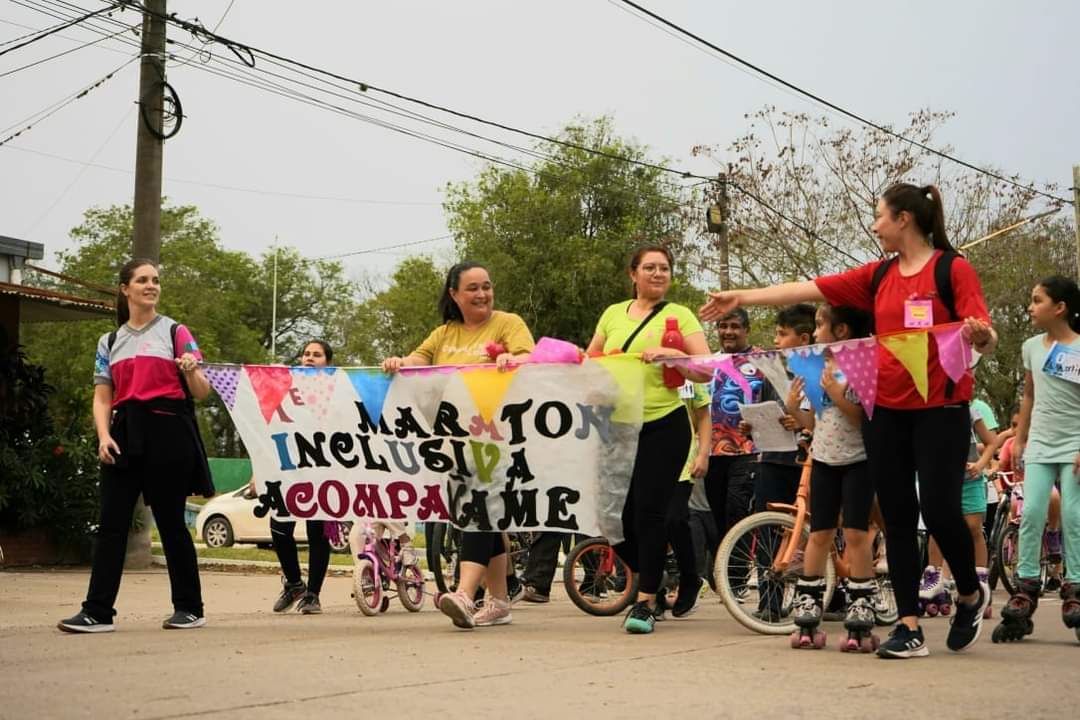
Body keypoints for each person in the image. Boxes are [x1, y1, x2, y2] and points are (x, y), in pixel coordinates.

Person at [701, 183, 997, 658]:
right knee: (898, 518)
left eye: (879, 216)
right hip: (886, 412)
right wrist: (742, 297)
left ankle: (968, 592)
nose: (875, 225)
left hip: (940, 409)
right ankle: (908, 626)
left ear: (903, 219)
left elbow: (983, 334)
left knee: (941, 511)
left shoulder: (951, 269)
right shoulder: (878, 276)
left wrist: (982, 338)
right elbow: (811, 287)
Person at [59, 259, 213, 633]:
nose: (151, 285)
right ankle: (97, 612)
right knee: (111, 524)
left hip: (169, 430)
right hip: (124, 432)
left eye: (155, 280)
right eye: (142, 280)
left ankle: (189, 608)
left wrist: (192, 369)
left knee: (172, 523)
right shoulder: (109, 341)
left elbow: (202, 392)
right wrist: (104, 435)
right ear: (125, 289)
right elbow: (102, 397)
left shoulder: (176, 332)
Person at [383, 261, 534, 629]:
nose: (482, 294)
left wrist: (511, 358)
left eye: (487, 286)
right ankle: (499, 601)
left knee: (478, 512)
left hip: (498, 439)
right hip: (453, 443)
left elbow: (532, 358)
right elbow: (418, 361)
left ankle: (465, 594)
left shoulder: (508, 323)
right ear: (454, 294)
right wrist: (399, 362)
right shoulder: (444, 334)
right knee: (485, 517)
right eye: (473, 288)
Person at [586, 245, 711, 634]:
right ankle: (654, 576)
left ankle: (644, 602)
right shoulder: (612, 314)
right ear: (633, 273)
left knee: (650, 514)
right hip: (618, 428)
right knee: (615, 519)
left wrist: (673, 356)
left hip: (664, 424)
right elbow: (590, 362)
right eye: (650, 267)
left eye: (664, 268)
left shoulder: (681, 316)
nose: (658, 273)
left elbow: (706, 370)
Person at [995, 276, 1080, 641]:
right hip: (1041, 444)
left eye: (1037, 300)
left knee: (1073, 514)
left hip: (1075, 442)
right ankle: (1026, 586)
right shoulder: (1031, 347)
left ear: (1059, 308)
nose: (1030, 307)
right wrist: (1020, 440)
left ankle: (1075, 586)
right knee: (1029, 512)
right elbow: (1028, 395)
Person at [788, 304, 877, 649]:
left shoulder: (862, 365)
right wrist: (794, 409)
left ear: (841, 331)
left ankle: (861, 605)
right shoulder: (819, 367)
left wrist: (839, 396)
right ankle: (808, 606)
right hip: (823, 459)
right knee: (819, 533)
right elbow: (814, 423)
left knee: (856, 533)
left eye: (820, 325)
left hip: (858, 461)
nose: (814, 332)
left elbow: (863, 419)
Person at [266, 340, 335, 615]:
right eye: (306, 354)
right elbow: (268, 428)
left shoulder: (338, 390)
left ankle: (313, 595)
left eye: (317, 355)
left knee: (317, 532)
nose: (309, 358)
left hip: (323, 470)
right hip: (288, 469)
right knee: (279, 528)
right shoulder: (286, 388)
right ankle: (294, 584)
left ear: (327, 362)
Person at [704, 308, 764, 599]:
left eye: (735, 326)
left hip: (748, 450)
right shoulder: (709, 363)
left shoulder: (763, 360)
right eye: (723, 326)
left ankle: (736, 580)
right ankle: (720, 575)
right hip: (712, 452)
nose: (728, 332)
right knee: (715, 517)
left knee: (737, 512)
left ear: (747, 330)